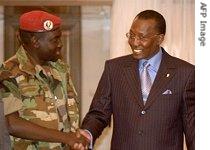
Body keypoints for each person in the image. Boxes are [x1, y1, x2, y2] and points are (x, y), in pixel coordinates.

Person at [76, 10, 195, 150]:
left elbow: (193, 126)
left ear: (159, 39)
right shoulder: (114, 68)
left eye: (142, 37)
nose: (134, 42)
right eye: (131, 35)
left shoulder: (185, 72)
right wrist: (88, 134)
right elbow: (99, 112)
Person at [0, 10, 89, 150]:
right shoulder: (9, 71)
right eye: (55, 39)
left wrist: (76, 138)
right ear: (35, 42)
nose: (60, 44)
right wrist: (67, 138)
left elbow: (69, 117)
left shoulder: (60, 69)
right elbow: (11, 123)